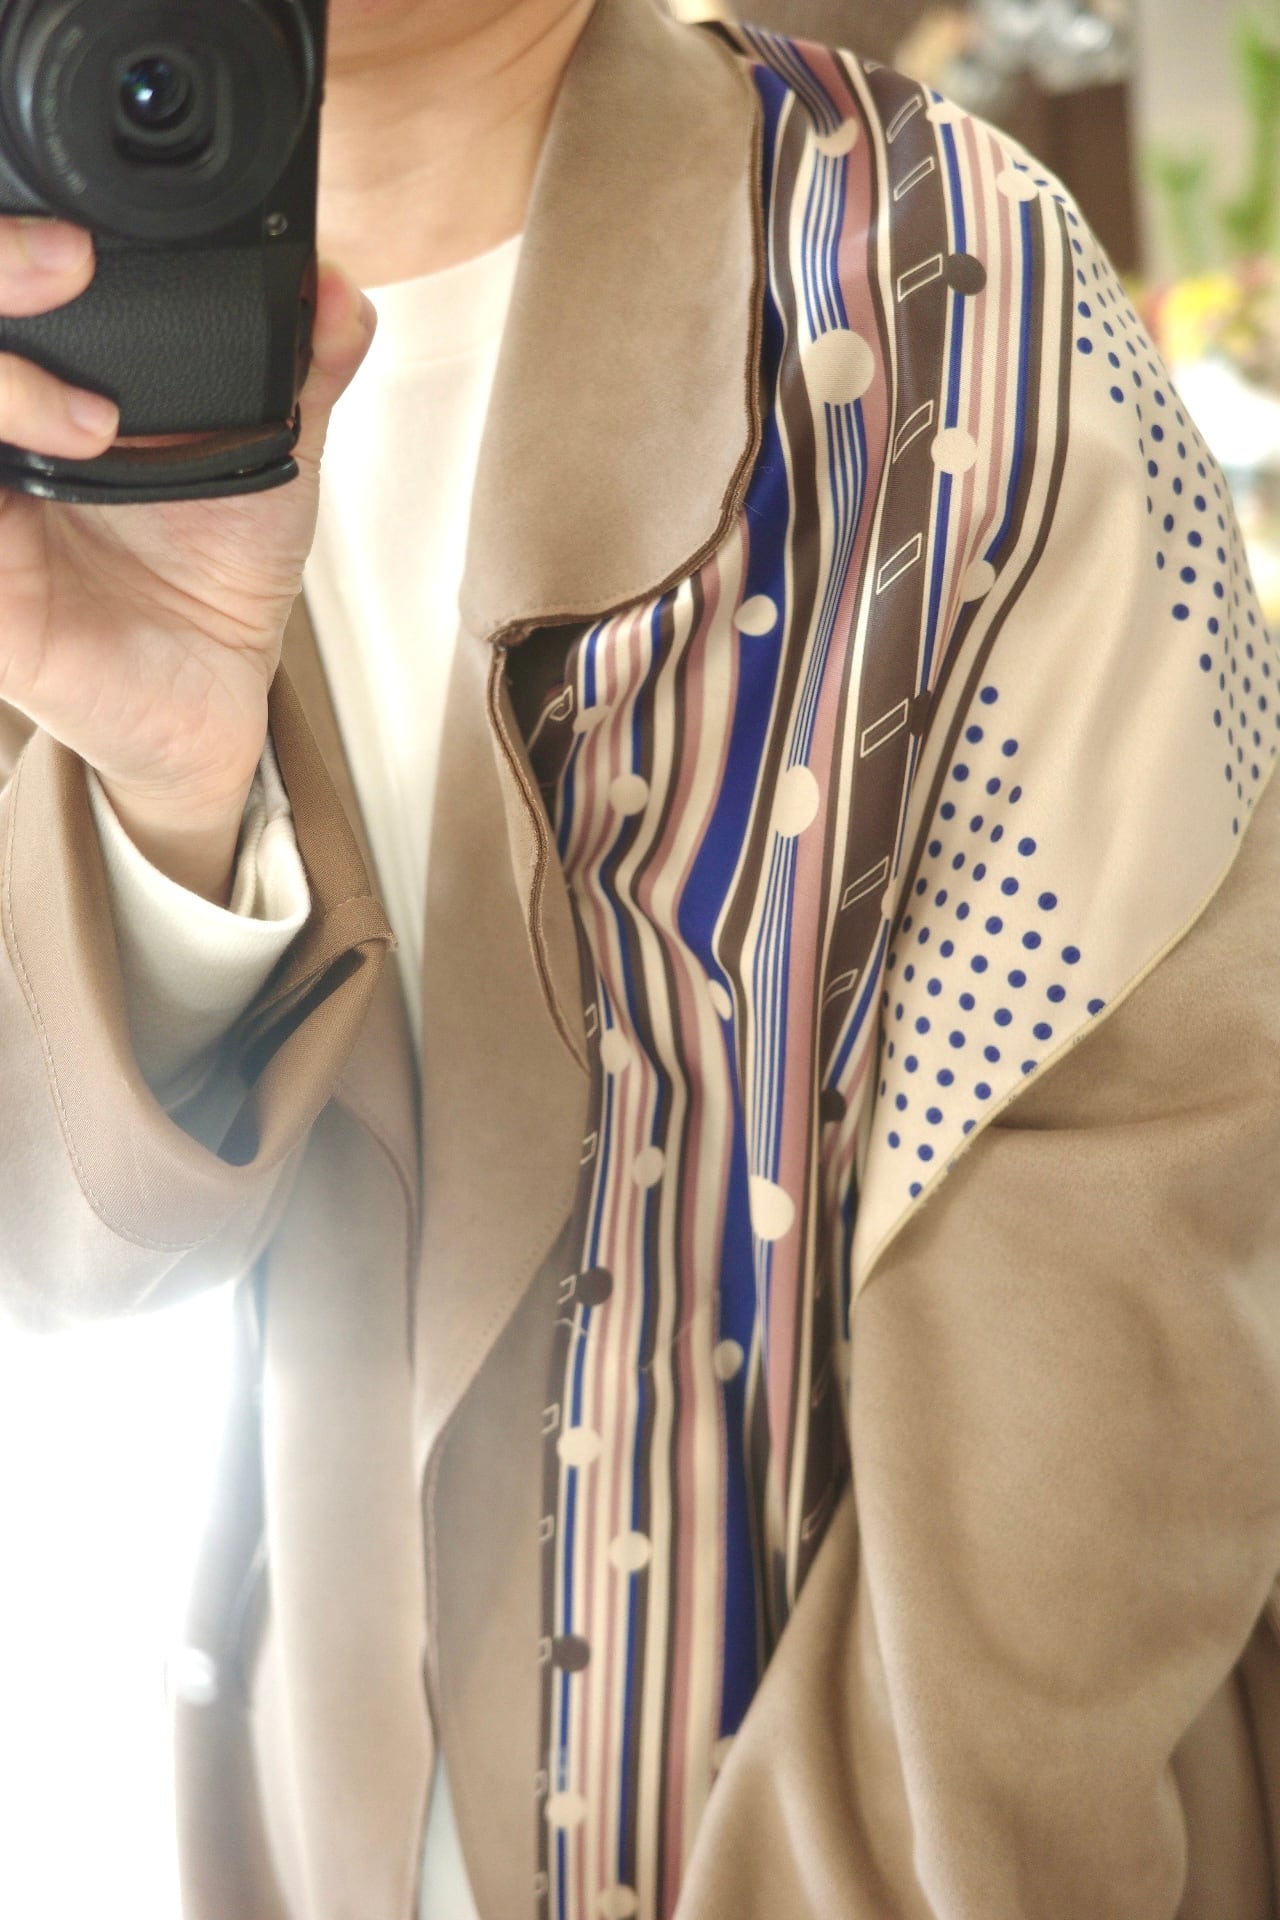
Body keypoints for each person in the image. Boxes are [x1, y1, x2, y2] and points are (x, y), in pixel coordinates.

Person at [2, 1, 1279, 1916]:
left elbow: (1113, 1320)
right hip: (314, 1817)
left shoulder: (946, 292)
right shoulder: (47, 374)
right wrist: (169, 796)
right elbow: (66, 1254)